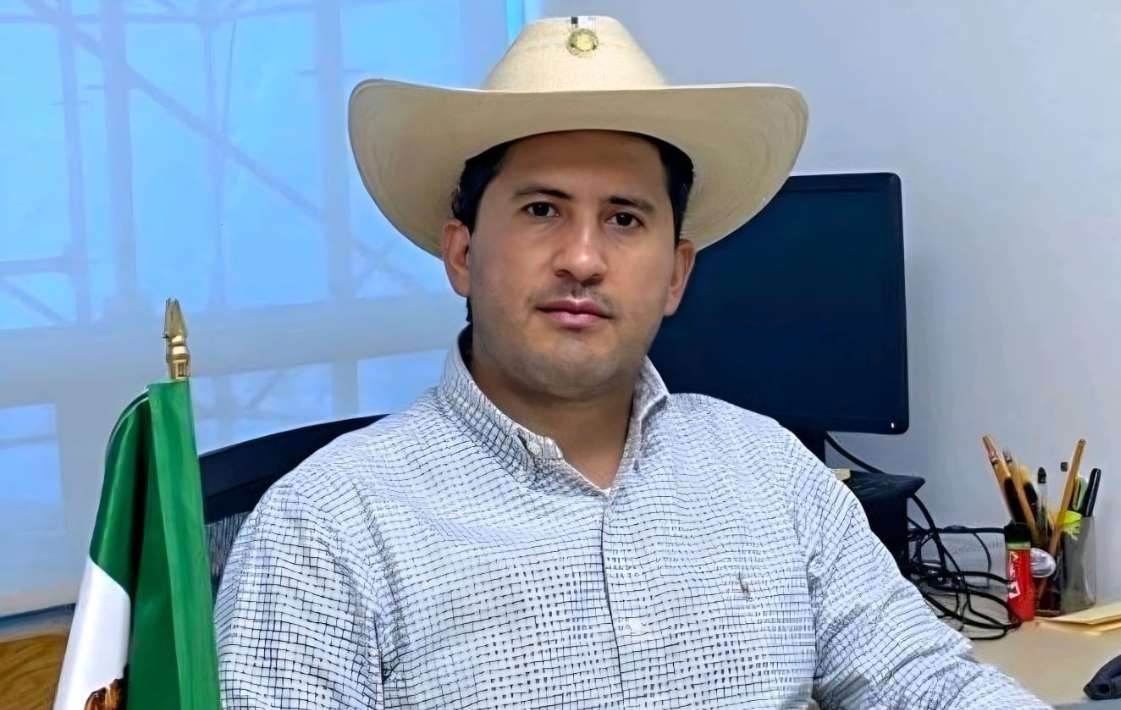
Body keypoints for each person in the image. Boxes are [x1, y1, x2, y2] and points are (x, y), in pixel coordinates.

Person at [215, 15, 1047, 709]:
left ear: (676, 275)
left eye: (624, 219)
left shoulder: (769, 473)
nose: (582, 259)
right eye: (542, 210)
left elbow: (928, 683)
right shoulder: (326, 530)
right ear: (462, 254)